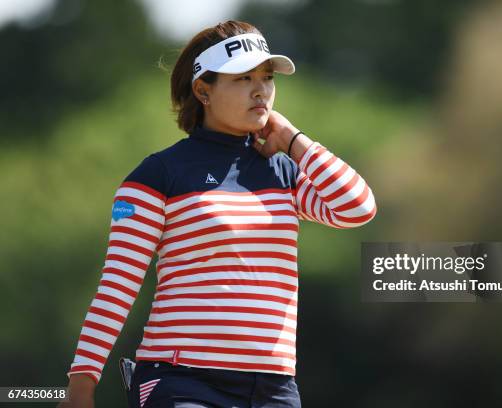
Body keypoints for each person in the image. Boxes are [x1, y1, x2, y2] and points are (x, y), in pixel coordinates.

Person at [59, 20, 377, 408]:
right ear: (203, 91)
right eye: (243, 78)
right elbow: (117, 287)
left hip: (273, 388)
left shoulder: (283, 172)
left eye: (267, 77)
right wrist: (81, 387)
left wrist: (294, 142)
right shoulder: (159, 175)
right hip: (181, 381)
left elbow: (357, 207)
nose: (261, 90)